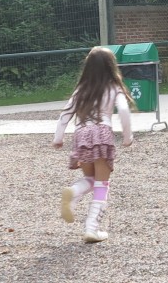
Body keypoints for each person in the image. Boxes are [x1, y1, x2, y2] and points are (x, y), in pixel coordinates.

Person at [52, 46, 134, 243]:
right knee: (102, 184)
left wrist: (58, 138)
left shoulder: (81, 89)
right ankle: (92, 229)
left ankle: (73, 192)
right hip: (102, 133)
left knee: (90, 177)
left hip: (82, 134)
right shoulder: (114, 87)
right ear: (111, 67)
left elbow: (65, 114)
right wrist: (127, 137)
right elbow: (123, 110)